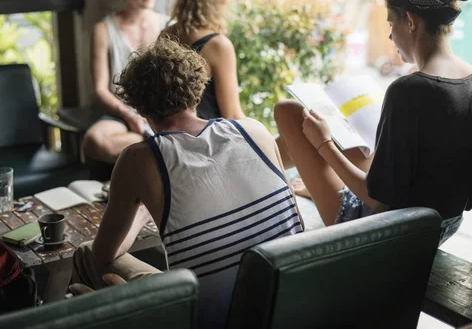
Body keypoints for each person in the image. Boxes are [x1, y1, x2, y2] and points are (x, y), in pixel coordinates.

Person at [72, 37, 303, 329]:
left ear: (140, 108)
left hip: (206, 320)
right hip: (289, 308)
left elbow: (106, 253)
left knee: (86, 253)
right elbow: (294, 223)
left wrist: (143, 208)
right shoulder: (255, 131)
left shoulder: (139, 160)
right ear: (197, 91)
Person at [274, 0, 472, 244]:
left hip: (391, 234)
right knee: (357, 143)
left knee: (288, 113)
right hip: (444, 225)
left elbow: (379, 202)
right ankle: (314, 183)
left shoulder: (409, 90)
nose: (389, 34)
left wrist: (323, 143)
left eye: (391, 23)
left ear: (410, 21)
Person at [83, 0, 170, 163]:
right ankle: (162, 146)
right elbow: (100, 90)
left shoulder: (169, 26)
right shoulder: (104, 30)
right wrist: (129, 115)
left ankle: (155, 144)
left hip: (161, 111)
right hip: (121, 113)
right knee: (93, 141)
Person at [163, 0, 245, 120]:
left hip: (169, 139)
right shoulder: (219, 46)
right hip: (207, 140)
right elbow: (232, 116)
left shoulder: (166, 35)